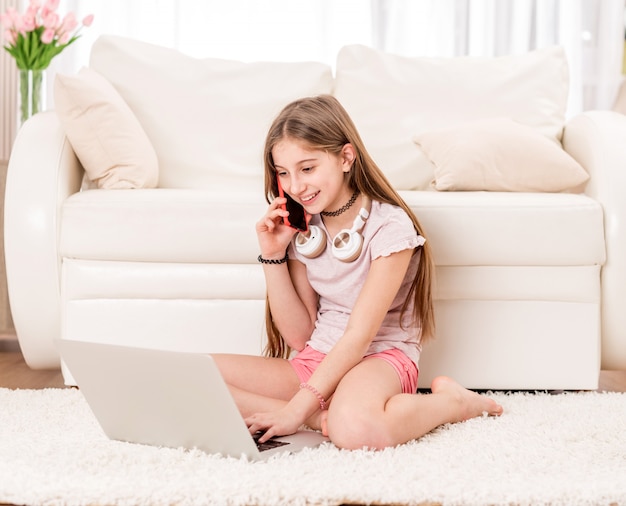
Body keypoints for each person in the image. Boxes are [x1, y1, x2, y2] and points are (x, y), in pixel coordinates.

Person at [213, 95, 503, 450]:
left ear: (346, 157)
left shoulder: (390, 228)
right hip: (318, 359)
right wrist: (273, 255)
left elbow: (359, 336)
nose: (296, 186)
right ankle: (324, 419)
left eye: (307, 168)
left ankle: (452, 403)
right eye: (284, 173)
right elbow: (300, 338)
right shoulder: (305, 228)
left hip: (379, 358)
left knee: (356, 431)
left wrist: (293, 412)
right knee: (195, 376)